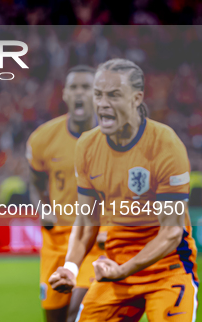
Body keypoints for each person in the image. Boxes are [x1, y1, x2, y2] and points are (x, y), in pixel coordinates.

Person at [48, 59, 198, 321]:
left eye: (114, 95)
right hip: (116, 266)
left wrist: (123, 270)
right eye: (98, 95)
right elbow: (86, 220)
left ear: (137, 98)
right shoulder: (87, 146)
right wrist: (71, 267)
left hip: (168, 269)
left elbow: (172, 233)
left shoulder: (165, 144)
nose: (102, 103)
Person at [27, 65, 105, 322]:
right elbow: (35, 181)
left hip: (94, 239)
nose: (80, 93)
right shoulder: (43, 138)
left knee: (77, 313)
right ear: (64, 94)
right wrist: (43, 208)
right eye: (74, 87)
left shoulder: (112, 139)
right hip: (56, 238)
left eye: (86, 88)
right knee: (55, 317)